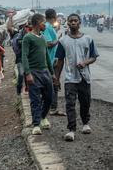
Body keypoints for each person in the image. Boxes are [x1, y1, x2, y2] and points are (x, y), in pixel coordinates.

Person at [54, 14, 99, 142]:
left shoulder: (88, 39)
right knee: (70, 104)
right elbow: (60, 61)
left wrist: (85, 62)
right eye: (71, 21)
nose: (73, 22)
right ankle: (71, 130)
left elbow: (94, 56)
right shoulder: (63, 41)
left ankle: (85, 123)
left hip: (85, 77)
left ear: (79, 23)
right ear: (67, 23)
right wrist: (56, 78)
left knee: (85, 102)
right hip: (70, 77)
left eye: (76, 21)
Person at [22, 13, 55, 135]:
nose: (45, 25)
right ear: (37, 23)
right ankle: (36, 124)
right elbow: (24, 56)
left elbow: (46, 56)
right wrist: (28, 73)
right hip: (34, 72)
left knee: (49, 97)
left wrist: (52, 73)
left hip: (45, 71)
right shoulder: (28, 38)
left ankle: (43, 116)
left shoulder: (42, 38)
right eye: (43, 22)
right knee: (35, 99)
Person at [43, 9, 65, 116]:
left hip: (52, 59)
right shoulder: (47, 27)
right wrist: (58, 40)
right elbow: (48, 44)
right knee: (54, 83)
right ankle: (52, 108)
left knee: (53, 83)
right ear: (54, 16)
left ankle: (51, 107)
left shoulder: (49, 27)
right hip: (50, 60)